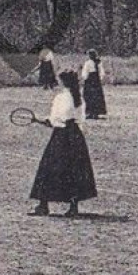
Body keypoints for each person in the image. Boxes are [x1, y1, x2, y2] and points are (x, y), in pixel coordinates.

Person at [29, 69, 97, 217]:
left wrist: (41, 120)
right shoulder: (78, 97)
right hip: (76, 137)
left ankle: (43, 205)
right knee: (74, 170)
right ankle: (73, 207)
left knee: (48, 168)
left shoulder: (61, 98)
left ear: (62, 81)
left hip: (61, 137)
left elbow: (56, 120)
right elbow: (78, 120)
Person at [80, 49, 107, 119]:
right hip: (96, 81)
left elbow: (85, 73)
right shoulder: (99, 62)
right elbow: (102, 73)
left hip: (90, 81)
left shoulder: (88, 63)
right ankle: (96, 113)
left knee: (89, 96)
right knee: (96, 96)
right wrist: (100, 79)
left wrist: (85, 79)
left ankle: (90, 113)